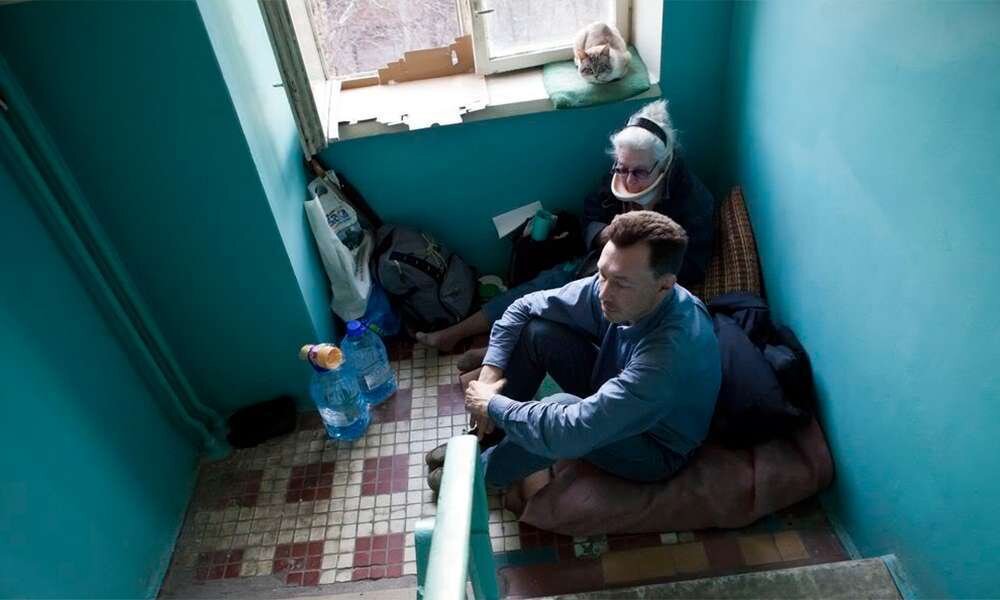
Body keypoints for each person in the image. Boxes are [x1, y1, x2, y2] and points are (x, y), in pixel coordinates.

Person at [426, 211, 721, 491]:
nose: (603, 294)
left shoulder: (668, 357)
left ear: (664, 286)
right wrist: (490, 377)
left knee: (561, 408)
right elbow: (523, 307)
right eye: (603, 274)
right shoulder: (615, 287)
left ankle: (480, 476)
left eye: (621, 284)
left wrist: (493, 404)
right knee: (537, 332)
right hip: (614, 389)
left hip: (652, 445)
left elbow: (571, 430)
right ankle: (487, 435)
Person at [415, 100, 717, 371]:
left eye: (638, 172)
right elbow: (592, 211)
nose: (627, 180)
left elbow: (689, 265)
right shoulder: (619, 175)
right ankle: (455, 333)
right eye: (621, 168)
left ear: (663, 165)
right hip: (598, 263)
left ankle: (492, 353)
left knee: (572, 318)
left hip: (635, 284)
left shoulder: (692, 201)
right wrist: (602, 235)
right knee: (541, 288)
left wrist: (640, 259)